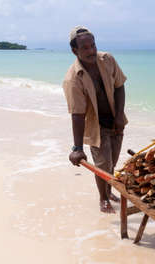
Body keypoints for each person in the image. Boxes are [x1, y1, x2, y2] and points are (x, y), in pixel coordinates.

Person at [63, 26, 127, 213]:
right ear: (75, 51)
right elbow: (77, 114)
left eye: (93, 45)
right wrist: (77, 148)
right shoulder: (73, 79)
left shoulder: (107, 59)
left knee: (112, 161)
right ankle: (103, 199)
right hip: (95, 125)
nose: (91, 51)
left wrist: (119, 115)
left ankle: (109, 190)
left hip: (115, 120)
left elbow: (120, 86)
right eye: (85, 48)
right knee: (102, 164)